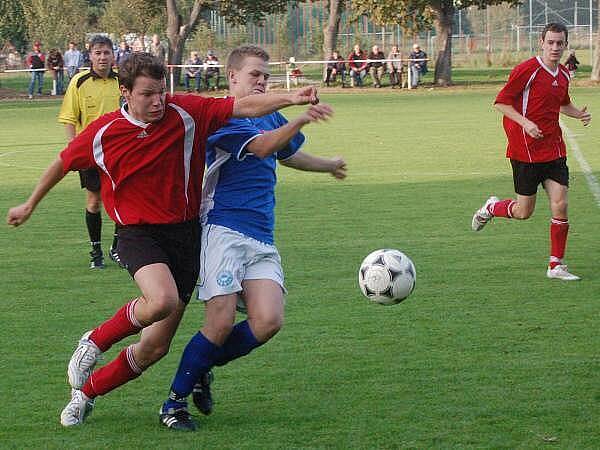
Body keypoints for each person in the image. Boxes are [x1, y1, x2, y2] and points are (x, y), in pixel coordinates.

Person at [6, 51, 323, 428]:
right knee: (161, 299)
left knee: (155, 347)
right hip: (138, 234)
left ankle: (86, 393)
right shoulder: (104, 132)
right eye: (147, 95)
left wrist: (292, 98)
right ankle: (94, 341)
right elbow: (63, 162)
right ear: (125, 92)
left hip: (185, 236)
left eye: (161, 92)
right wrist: (29, 203)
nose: (158, 101)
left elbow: (242, 107)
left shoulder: (185, 112)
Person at [157, 45, 345, 431]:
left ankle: (203, 366)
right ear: (233, 79)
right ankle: (173, 405)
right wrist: (300, 119)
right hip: (222, 229)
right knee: (220, 322)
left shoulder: (271, 114)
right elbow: (263, 147)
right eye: (254, 75)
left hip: (261, 233)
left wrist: (328, 166)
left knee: (268, 320)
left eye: (265, 75)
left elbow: (287, 154)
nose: (261, 81)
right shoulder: (222, 117)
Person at [471, 23, 592, 281]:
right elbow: (501, 102)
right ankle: (493, 208)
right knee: (523, 212)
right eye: (551, 42)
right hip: (525, 151)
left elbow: (563, 104)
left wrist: (578, 114)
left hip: (554, 149)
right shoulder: (527, 70)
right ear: (542, 42)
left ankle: (555, 265)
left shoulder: (562, 74)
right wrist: (525, 123)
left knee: (561, 204)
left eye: (560, 43)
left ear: (565, 44)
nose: (555, 47)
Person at [58, 35, 123, 269]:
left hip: (120, 152)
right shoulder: (79, 81)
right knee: (94, 201)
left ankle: (117, 248)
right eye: (98, 53)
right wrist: (74, 150)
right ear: (90, 55)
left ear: (113, 55)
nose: (102, 57)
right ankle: (95, 251)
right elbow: (69, 118)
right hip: (91, 153)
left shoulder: (123, 81)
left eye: (106, 52)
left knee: (122, 200)